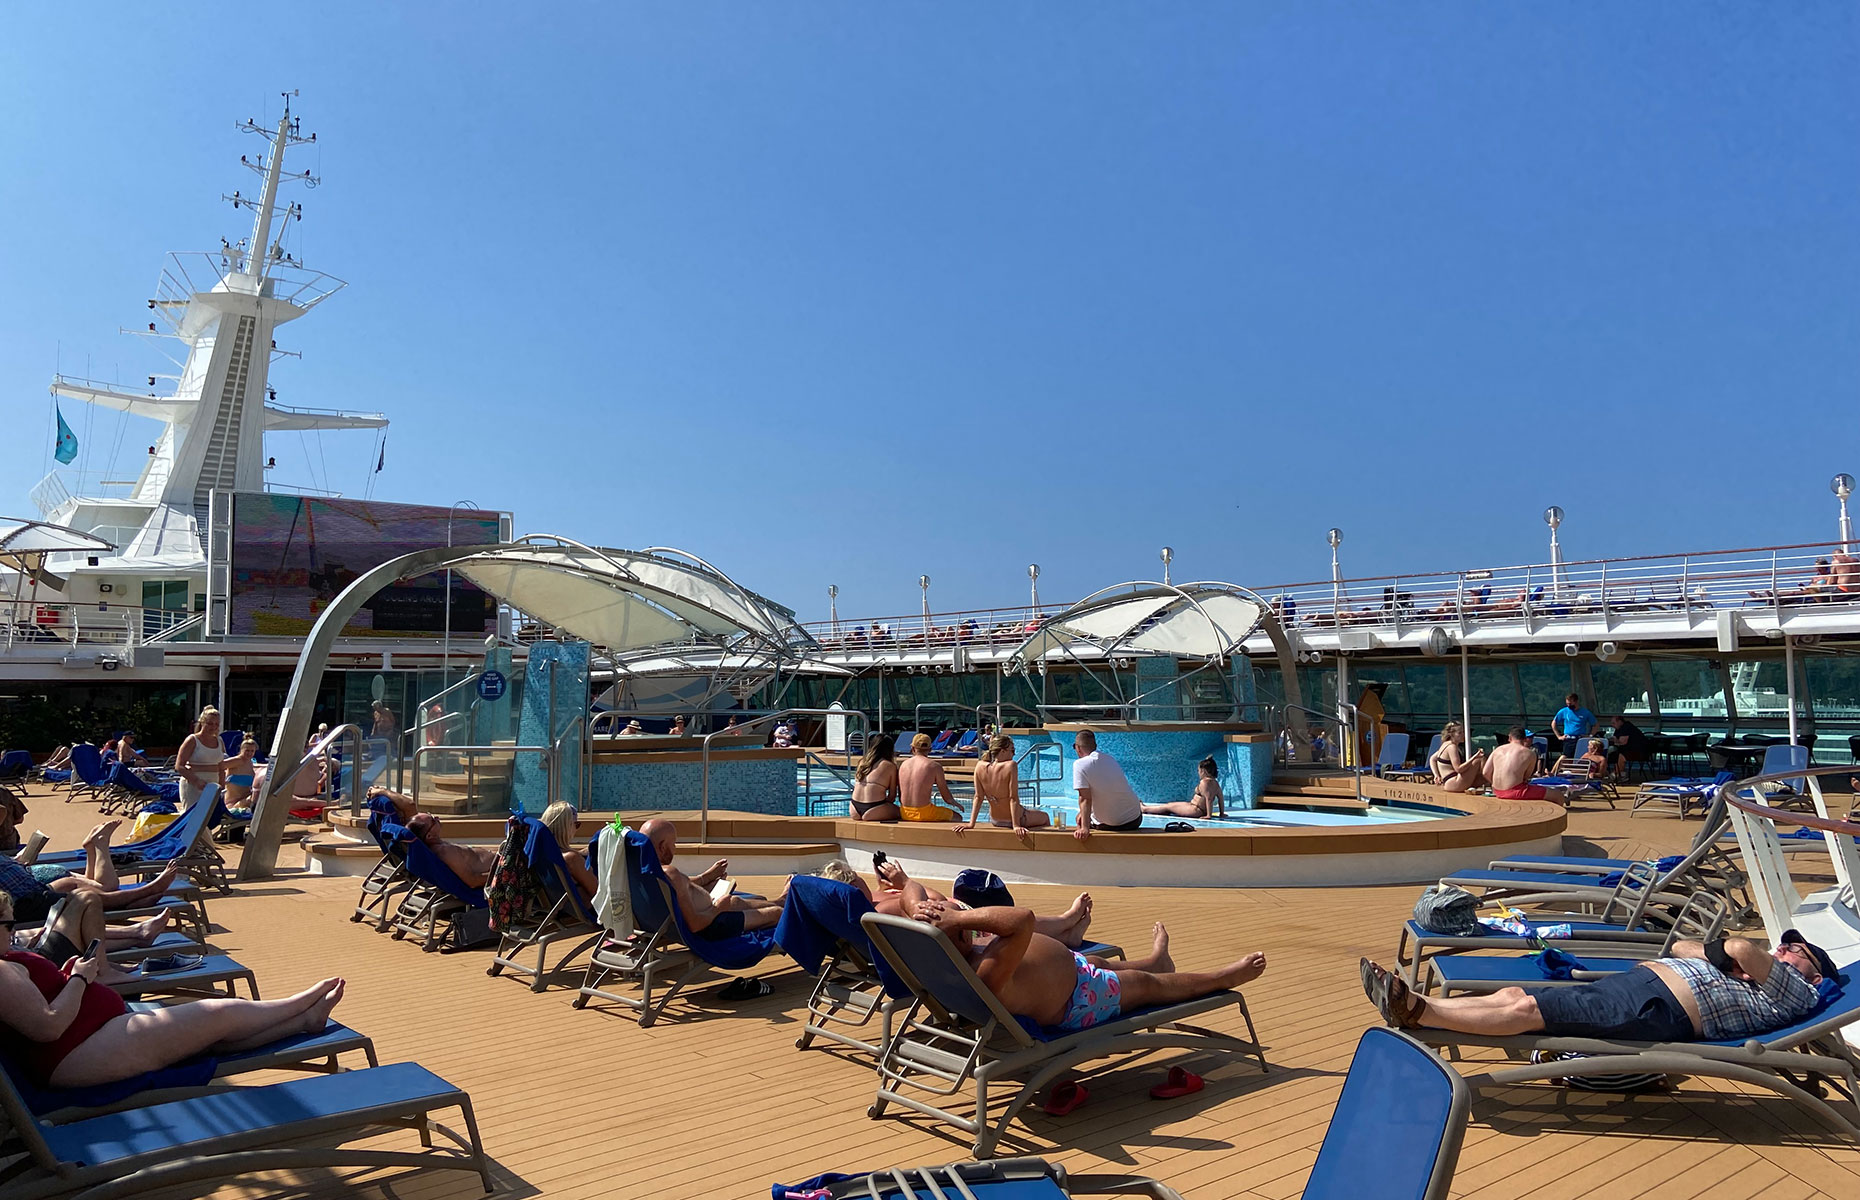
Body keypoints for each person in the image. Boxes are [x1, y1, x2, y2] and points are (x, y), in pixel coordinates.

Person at [0, 899, 346, 1090]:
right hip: (77, 1053)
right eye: (8, 925)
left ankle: (305, 1019)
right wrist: (77, 979)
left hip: (90, 1039)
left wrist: (65, 977)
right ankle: (297, 1004)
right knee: (217, 1014)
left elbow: (36, 1006)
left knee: (207, 1037)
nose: (13, 931)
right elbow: (47, 1027)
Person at [1360, 929, 1833, 1042]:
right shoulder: (1758, 975)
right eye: (1786, 947)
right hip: (1643, 983)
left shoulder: (1802, 989)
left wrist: (1733, 956)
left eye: (1796, 951)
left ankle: (1417, 1013)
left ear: (1812, 969)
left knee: (1530, 1015)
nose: (1785, 950)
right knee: (1518, 997)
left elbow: (1741, 947)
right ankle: (1416, 1002)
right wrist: (1721, 956)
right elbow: (1685, 945)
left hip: (1659, 1008)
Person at [912, 900, 1266, 1033]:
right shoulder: (984, 972)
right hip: (1080, 999)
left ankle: (1159, 960)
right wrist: (959, 915)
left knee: (1102, 962)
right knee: (1144, 984)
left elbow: (913, 888)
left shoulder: (953, 961)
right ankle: (1225, 976)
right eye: (957, 928)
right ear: (952, 939)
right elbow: (1022, 920)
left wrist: (933, 909)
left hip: (1077, 972)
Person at [814, 858, 1095, 947]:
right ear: (852, 887)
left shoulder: (868, 907)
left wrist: (885, 887)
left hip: (954, 926)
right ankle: (1065, 923)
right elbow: (933, 901)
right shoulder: (877, 912)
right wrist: (904, 882)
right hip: (959, 930)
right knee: (1009, 922)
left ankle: (1067, 931)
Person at [0, 821, 184, 922]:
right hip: (27, 898)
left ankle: (98, 849)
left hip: (34, 883)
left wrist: (16, 863)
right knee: (97, 892)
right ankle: (144, 890)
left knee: (78, 886)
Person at [636, 817, 783, 936]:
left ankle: (781, 900)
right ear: (662, 847)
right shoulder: (670, 873)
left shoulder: (642, 871)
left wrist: (706, 879)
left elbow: (676, 890)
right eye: (673, 844)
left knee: (749, 901)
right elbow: (695, 925)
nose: (675, 848)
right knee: (777, 913)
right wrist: (718, 908)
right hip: (711, 924)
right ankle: (784, 902)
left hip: (703, 912)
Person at [7, 890, 173, 967]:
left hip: (24, 952)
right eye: (8, 925)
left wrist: (22, 947)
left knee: (72, 895)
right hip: (38, 962)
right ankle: (104, 968)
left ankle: (138, 935)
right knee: (87, 898)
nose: (12, 928)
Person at [963, 734, 1052, 835]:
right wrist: (1016, 825)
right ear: (1002, 751)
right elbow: (1013, 798)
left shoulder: (979, 766)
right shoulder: (1011, 765)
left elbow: (978, 797)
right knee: (1045, 817)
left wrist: (971, 824)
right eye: (1012, 750)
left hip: (995, 820)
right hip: (1015, 819)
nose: (1014, 754)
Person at [1070, 730, 1143, 839]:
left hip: (1111, 825)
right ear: (1095, 746)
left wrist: (1084, 828)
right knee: (1083, 814)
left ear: (1077, 747)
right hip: (1134, 819)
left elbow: (1085, 798)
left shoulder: (1080, 765)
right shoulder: (1110, 759)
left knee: (1079, 819)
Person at [404, 813, 500, 889]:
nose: (437, 817)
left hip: (499, 863)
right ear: (429, 836)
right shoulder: (445, 852)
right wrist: (503, 874)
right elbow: (472, 881)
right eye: (433, 820)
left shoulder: (438, 847)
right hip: (501, 871)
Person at [1484, 726, 1570, 806]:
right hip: (1515, 791)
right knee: (1558, 795)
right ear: (1525, 739)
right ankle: (1553, 820)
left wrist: (1496, 784)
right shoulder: (1529, 753)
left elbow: (1485, 772)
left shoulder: (1497, 750)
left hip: (1497, 791)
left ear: (1509, 738)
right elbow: (1526, 777)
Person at [538, 801, 598, 902]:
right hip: (588, 909)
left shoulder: (542, 853)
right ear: (566, 827)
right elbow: (597, 892)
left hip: (558, 907)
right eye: (577, 824)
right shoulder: (572, 859)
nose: (577, 829)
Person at [173, 706, 225, 812]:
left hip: (213, 786)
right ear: (202, 722)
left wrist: (222, 784)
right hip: (193, 785)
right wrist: (196, 781)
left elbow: (221, 766)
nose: (214, 727)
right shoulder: (192, 740)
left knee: (208, 820)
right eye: (210, 723)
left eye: (216, 724)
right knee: (193, 818)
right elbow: (179, 766)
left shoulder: (219, 741)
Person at [898, 734, 959, 821]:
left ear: (912, 749)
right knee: (958, 817)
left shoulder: (903, 765)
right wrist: (956, 804)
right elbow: (947, 798)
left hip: (904, 812)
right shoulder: (934, 766)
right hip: (924, 813)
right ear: (930, 749)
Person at [1142, 756, 1221, 819]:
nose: (1198, 773)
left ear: (1203, 771)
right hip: (1194, 807)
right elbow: (1221, 798)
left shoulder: (1205, 783)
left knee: (1168, 807)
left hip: (1195, 810)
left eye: (1198, 771)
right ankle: (1146, 808)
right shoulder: (1216, 784)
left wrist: (1208, 815)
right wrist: (1222, 812)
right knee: (1169, 806)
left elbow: (1209, 799)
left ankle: (1144, 809)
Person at [849, 738, 901, 823]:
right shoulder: (890, 766)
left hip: (854, 809)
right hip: (874, 809)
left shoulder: (862, 763)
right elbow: (892, 797)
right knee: (903, 813)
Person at [1428, 722, 1487, 794]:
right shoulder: (1452, 747)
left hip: (1448, 782)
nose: (1463, 735)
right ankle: (1493, 785)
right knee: (1480, 760)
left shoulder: (1445, 744)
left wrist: (1436, 775)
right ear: (1452, 735)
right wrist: (1474, 757)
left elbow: (1432, 759)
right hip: (1454, 782)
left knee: (1482, 778)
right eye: (1459, 733)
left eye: (1463, 732)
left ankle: (1488, 782)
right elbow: (1458, 769)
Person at [1551, 692, 1597, 761]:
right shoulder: (1564, 711)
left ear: (1576, 702)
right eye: (1567, 704)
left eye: (1570, 704)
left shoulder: (1585, 712)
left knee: (1581, 758)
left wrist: (1590, 735)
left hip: (1580, 739)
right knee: (1567, 758)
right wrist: (1559, 736)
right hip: (1569, 739)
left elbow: (1595, 724)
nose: (1569, 706)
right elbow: (1553, 723)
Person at [1605, 714, 1651, 781]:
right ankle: (1621, 774)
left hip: (1639, 751)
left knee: (1621, 755)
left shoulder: (1626, 728)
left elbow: (1622, 742)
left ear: (1620, 722)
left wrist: (1614, 741)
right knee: (1615, 754)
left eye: (1613, 723)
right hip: (1629, 749)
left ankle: (1615, 774)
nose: (1612, 725)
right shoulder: (1618, 729)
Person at [222, 736, 258, 809]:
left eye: (252, 751)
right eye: (247, 750)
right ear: (241, 750)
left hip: (246, 802)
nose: (249, 753)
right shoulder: (237, 761)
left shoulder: (250, 763)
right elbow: (219, 766)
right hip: (233, 804)